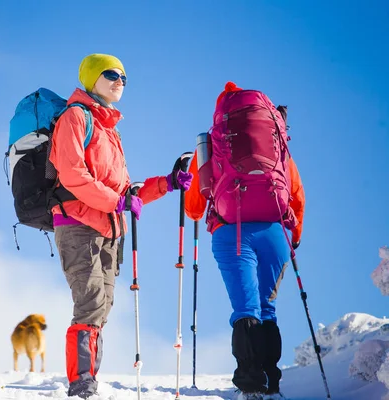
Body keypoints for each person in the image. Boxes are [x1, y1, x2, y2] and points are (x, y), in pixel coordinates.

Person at [49, 53, 193, 398]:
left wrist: (168, 183)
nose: (119, 82)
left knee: (102, 305)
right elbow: (72, 175)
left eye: (124, 78)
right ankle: (82, 384)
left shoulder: (109, 131)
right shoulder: (75, 117)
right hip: (78, 223)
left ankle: (87, 379)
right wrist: (117, 202)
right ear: (91, 78)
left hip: (110, 230)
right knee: (91, 301)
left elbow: (126, 191)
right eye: (111, 74)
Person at [184, 82, 305, 400]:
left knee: (245, 307)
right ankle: (272, 383)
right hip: (275, 232)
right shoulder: (277, 144)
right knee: (268, 308)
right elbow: (296, 196)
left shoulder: (211, 145)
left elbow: (194, 208)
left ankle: (250, 385)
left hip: (231, 232)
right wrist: (294, 236)